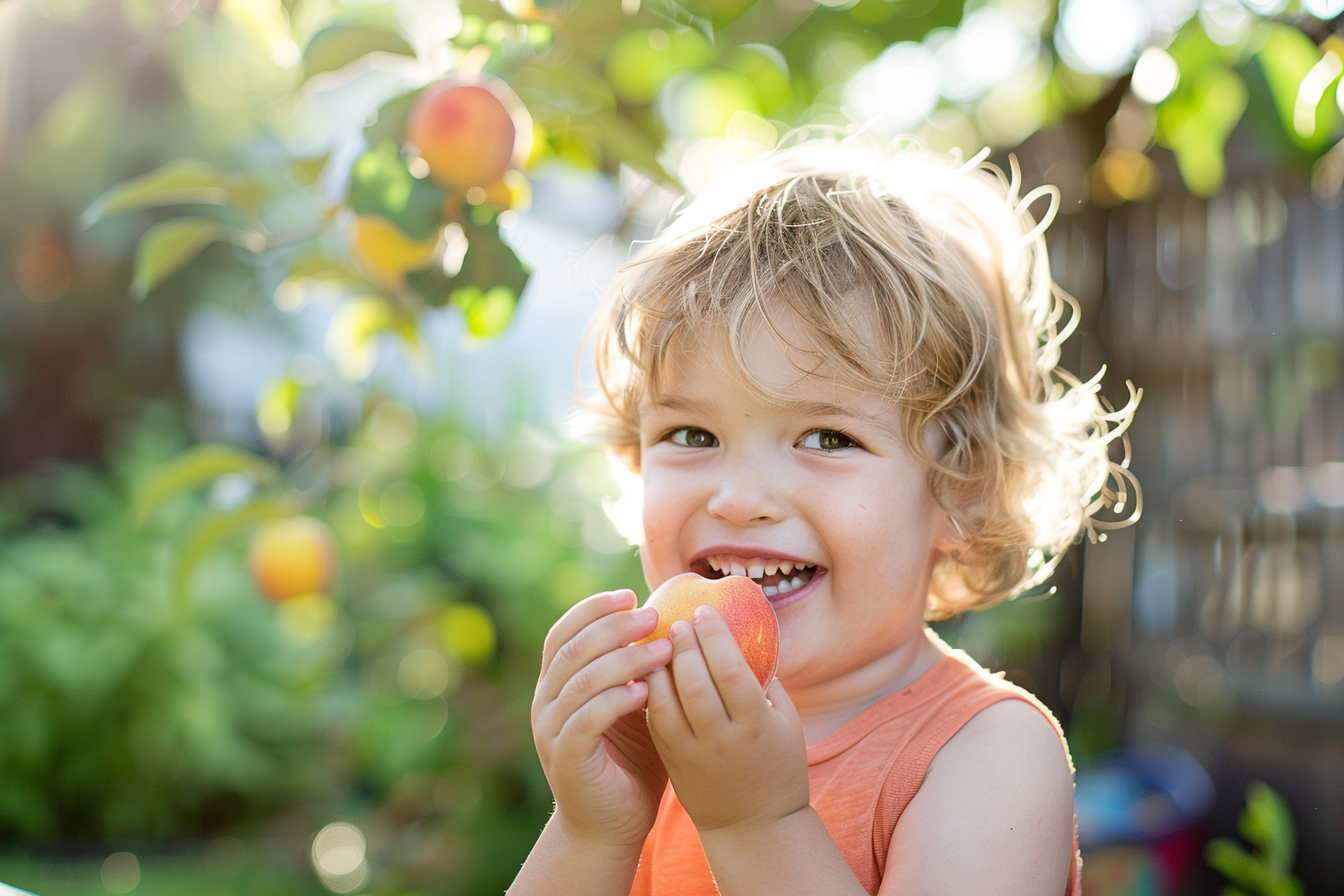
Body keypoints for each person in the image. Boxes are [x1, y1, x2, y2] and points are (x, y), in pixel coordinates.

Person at [508, 136, 1139, 896]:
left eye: (828, 437)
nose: (739, 498)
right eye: (692, 435)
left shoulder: (986, 754)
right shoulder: (667, 749)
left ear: (959, 490)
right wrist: (591, 828)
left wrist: (756, 825)